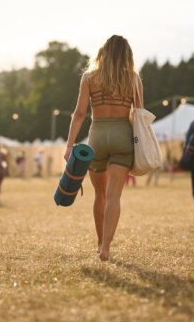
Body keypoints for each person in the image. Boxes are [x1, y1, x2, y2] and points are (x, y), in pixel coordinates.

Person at [64, 35, 141, 261]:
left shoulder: (90, 77)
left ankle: (99, 243)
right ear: (127, 55)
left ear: (103, 53)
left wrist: (70, 144)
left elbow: (79, 114)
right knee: (114, 196)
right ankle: (106, 247)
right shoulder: (134, 79)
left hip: (96, 138)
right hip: (122, 138)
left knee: (100, 195)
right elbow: (139, 115)